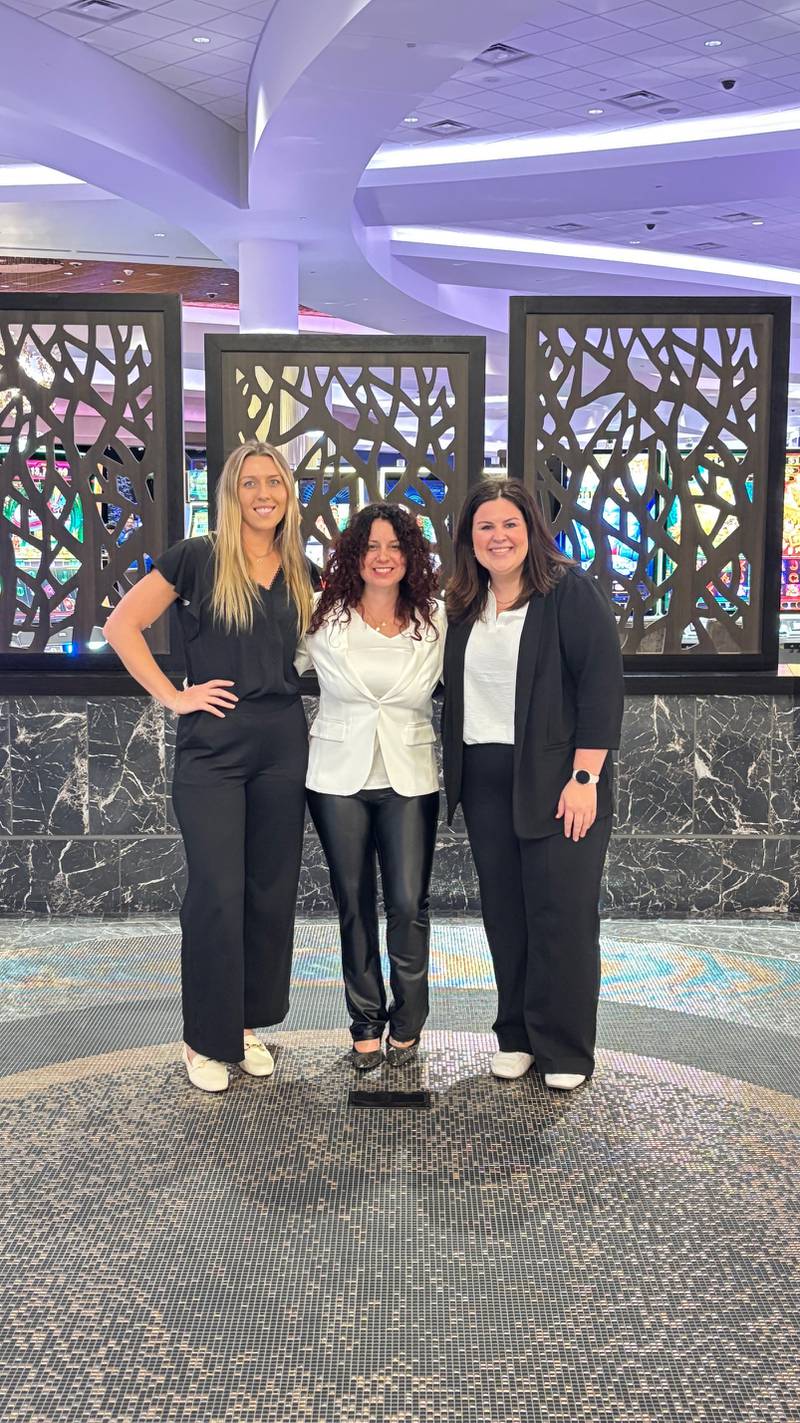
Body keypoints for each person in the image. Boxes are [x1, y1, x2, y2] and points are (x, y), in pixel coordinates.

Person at [104, 440, 316, 1093]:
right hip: (214, 747)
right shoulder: (196, 558)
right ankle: (203, 1037)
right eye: (250, 482)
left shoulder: (301, 567)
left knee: (268, 891)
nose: (262, 494)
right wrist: (173, 696)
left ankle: (244, 1026)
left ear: (288, 492)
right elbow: (121, 625)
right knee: (217, 892)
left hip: (283, 743)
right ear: (231, 492)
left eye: (273, 482)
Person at [441, 477, 623, 1091]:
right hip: (485, 780)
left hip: (559, 780)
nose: (498, 537)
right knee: (507, 915)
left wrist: (584, 777)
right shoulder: (464, 603)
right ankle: (516, 1035)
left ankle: (564, 1047)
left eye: (510, 524)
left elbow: (601, 689)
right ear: (469, 538)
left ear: (531, 531)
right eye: (485, 526)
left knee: (561, 914)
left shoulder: (567, 592)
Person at [297, 503, 445, 1071]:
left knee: (408, 902)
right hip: (337, 777)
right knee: (353, 902)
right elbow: (270, 662)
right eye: (372, 546)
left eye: (396, 546)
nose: (384, 558)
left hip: (409, 776)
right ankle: (364, 1021)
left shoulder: (438, 618)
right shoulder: (321, 616)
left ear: (412, 555)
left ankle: (408, 1021)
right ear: (353, 555)